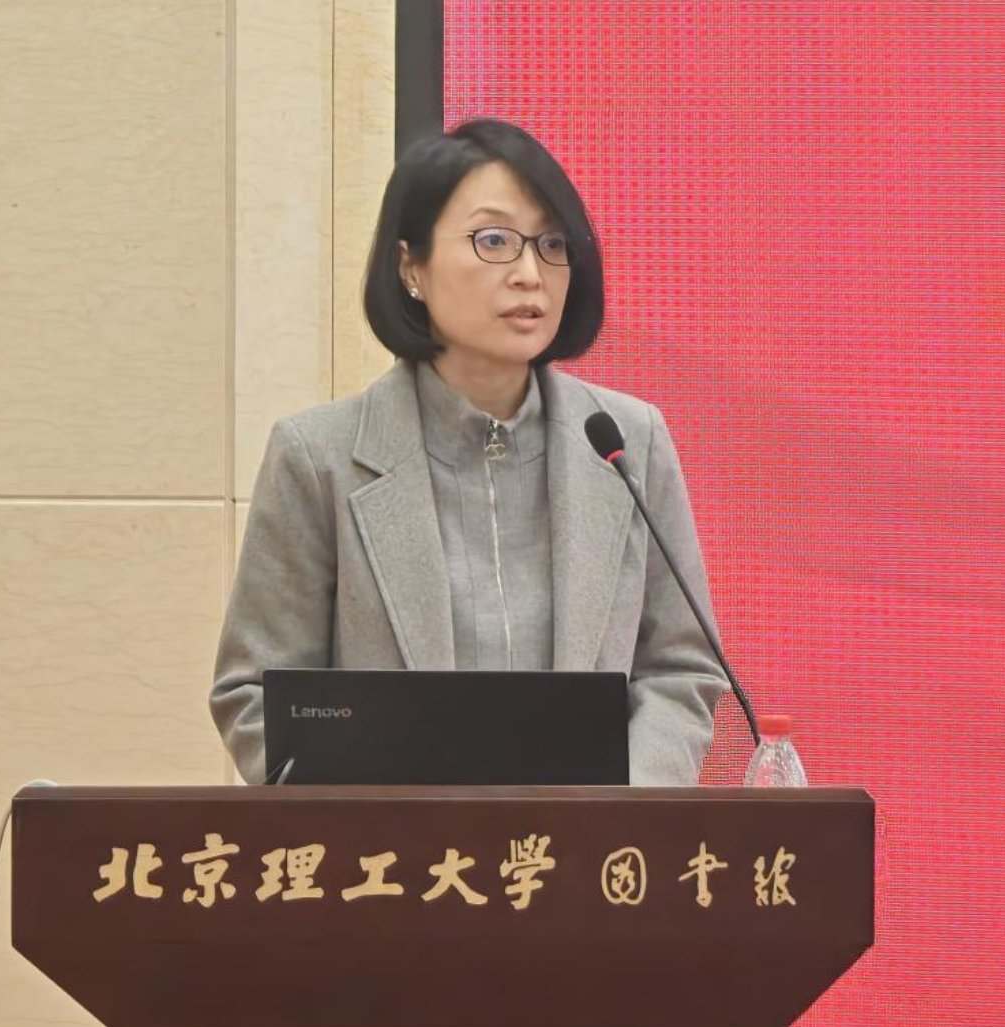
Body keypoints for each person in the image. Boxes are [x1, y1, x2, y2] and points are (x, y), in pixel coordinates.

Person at [211, 118, 727, 785]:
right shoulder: (319, 458)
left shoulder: (630, 441)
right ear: (412, 267)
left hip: (590, 843)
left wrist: (616, 809)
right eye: (494, 241)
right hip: (395, 846)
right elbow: (255, 692)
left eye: (551, 244)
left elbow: (681, 670)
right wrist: (368, 819)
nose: (529, 274)